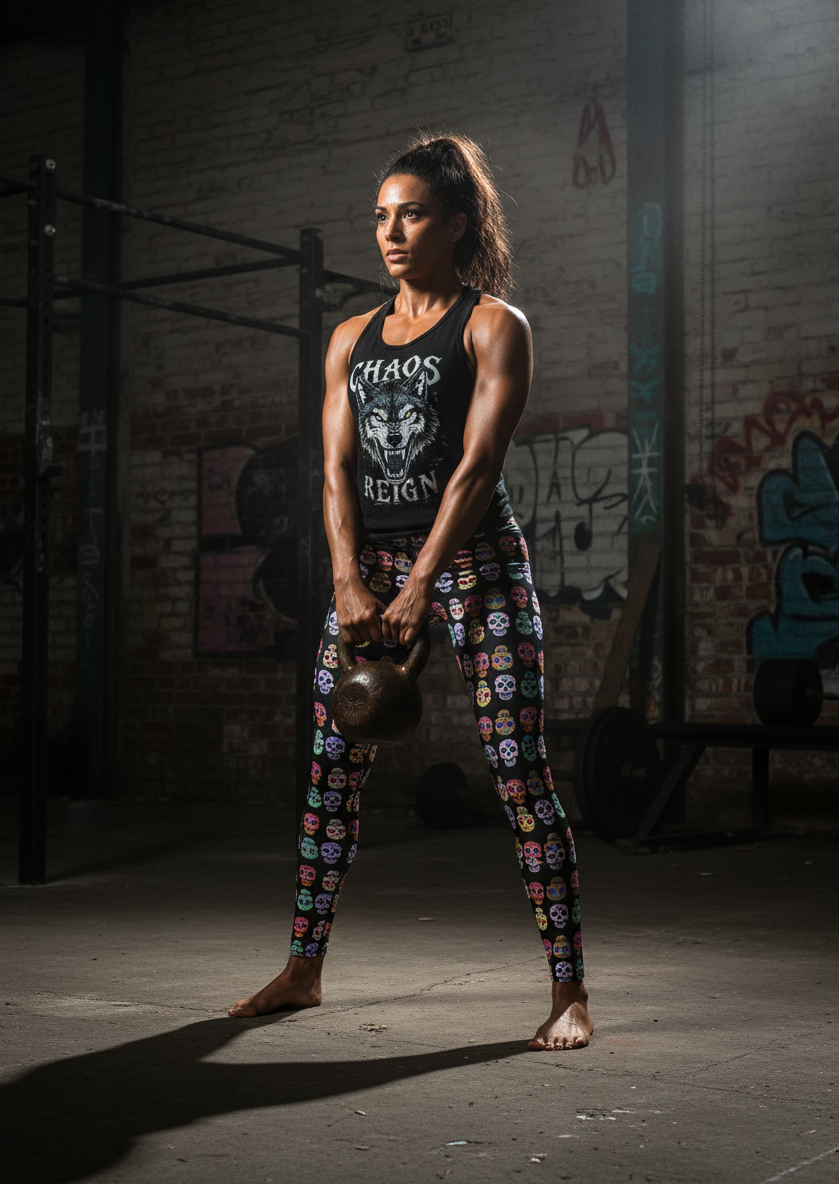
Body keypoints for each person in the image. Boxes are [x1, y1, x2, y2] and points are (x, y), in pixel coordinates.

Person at [230, 133, 593, 1050]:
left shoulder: (491, 325)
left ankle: (569, 992)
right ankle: (303, 970)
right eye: (381, 217)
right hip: (374, 575)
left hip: (477, 567)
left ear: (457, 222)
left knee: (518, 773)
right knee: (329, 773)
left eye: (413, 214)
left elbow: (477, 468)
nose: (391, 232)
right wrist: (350, 580)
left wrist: (424, 581)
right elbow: (336, 470)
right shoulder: (351, 337)